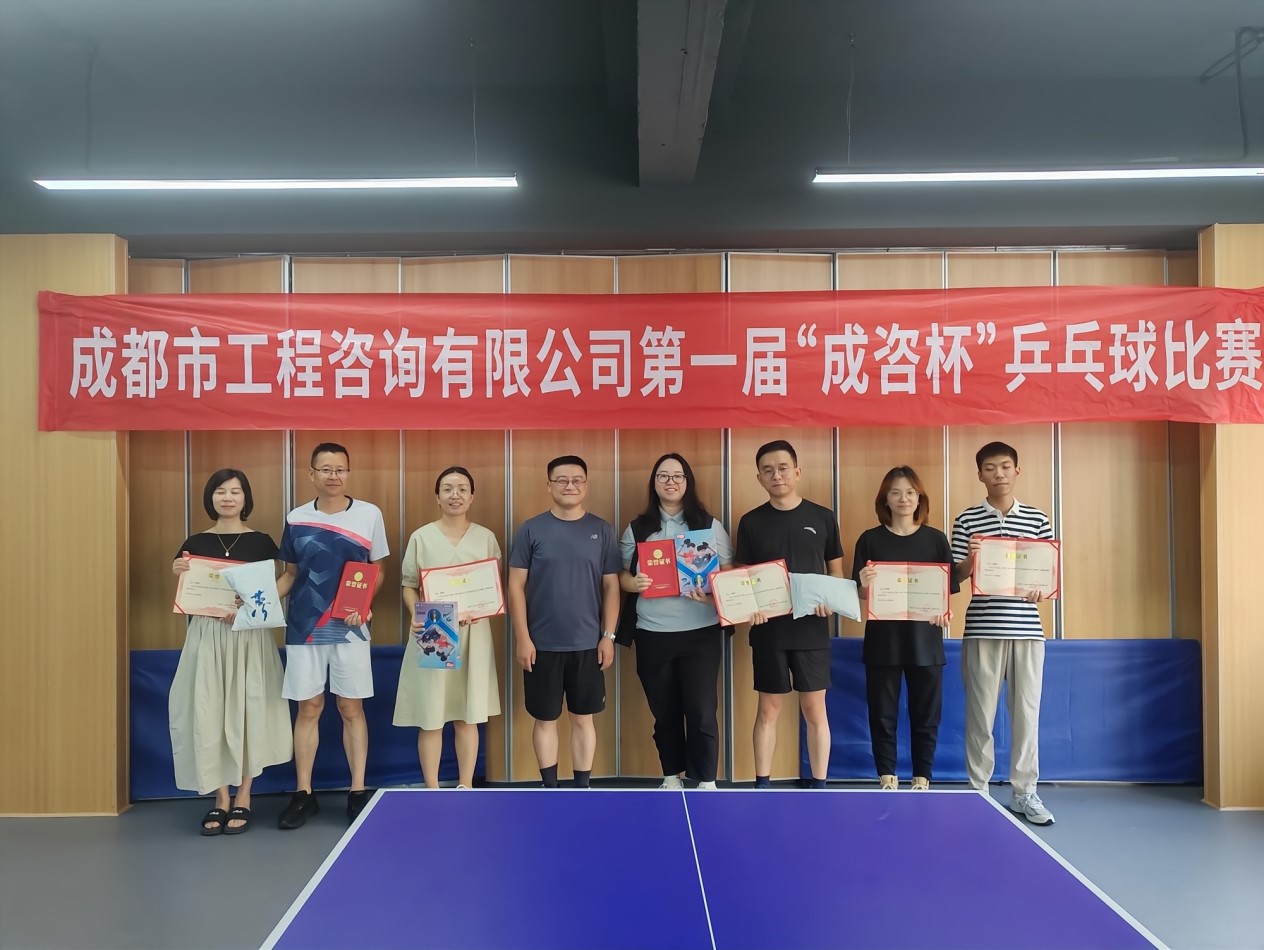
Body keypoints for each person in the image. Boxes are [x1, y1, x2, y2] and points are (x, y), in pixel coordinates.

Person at [169, 469, 293, 835]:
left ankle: (244, 796)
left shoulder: (262, 542)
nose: (227, 497)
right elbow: (188, 590)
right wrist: (178, 569)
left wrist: (255, 603)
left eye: (235, 491)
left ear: (245, 498)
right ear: (210, 497)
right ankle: (220, 798)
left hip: (248, 635)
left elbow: (283, 580)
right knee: (210, 711)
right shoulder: (194, 543)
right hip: (207, 635)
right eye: (220, 491)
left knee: (247, 708)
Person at [276, 443, 389, 828]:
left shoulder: (369, 514)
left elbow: (377, 570)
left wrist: (366, 602)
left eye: (340, 469)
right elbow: (290, 575)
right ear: (311, 474)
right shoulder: (296, 518)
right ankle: (303, 794)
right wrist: (255, 603)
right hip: (304, 628)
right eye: (325, 469)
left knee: (350, 708)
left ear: (348, 473)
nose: (333, 475)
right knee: (308, 707)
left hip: (351, 629)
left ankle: (357, 791)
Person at [951, 441, 1055, 825]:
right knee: (980, 715)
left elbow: (1047, 576)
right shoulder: (966, 520)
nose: (999, 474)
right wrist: (971, 558)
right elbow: (955, 577)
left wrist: (1041, 588)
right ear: (980, 474)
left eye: (1006, 466)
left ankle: (1024, 792)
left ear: (1017, 471)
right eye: (991, 468)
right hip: (982, 628)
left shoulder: (1038, 519)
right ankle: (977, 791)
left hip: (1028, 631)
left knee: (1026, 714)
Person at [734, 440, 844, 789]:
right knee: (768, 709)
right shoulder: (751, 522)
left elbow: (835, 574)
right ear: (759, 478)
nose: (776, 475)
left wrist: (830, 600)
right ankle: (762, 784)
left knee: (815, 710)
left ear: (797, 472)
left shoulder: (823, 517)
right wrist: (749, 606)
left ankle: (819, 784)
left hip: (812, 629)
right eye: (768, 470)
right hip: (769, 631)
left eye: (783, 468)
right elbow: (742, 578)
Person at [618, 453, 732, 790]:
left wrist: (710, 595)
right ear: (654, 483)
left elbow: (728, 573)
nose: (670, 482)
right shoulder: (638, 528)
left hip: (700, 632)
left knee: (701, 710)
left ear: (687, 482)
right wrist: (634, 582)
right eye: (663, 476)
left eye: (677, 476)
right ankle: (671, 775)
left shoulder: (709, 526)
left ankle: (706, 779)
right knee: (664, 711)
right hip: (652, 632)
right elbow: (620, 575)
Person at [508, 455, 620, 788]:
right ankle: (550, 787)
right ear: (549, 485)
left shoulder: (602, 530)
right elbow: (515, 586)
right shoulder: (530, 529)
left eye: (577, 480)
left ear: (586, 485)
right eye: (562, 480)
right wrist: (523, 638)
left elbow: (611, 586)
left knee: (583, 719)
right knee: (545, 719)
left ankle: (582, 786)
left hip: (588, 645)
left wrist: (608, 636)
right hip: (541, 646)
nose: (570, 486)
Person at [394, 466, 502, 789]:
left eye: (462, 489)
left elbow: (492, 586)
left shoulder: (486, 537)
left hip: (474, 634)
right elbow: (408, 585)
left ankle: (465, 785)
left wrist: (481, 608)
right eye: (448, 489)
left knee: (467, 715)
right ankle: (432, 788)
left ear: (472, 496)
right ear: (437, 497)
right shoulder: (421, 537)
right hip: (434, 632)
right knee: (432, 716)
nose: (455, 495)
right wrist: (415, 613)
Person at [854, 466, 956, 791]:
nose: (903, 498)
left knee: (926, 716)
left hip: (926, 643)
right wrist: (863, 583)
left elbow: (946, 593)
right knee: (882, 715)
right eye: (896, 492)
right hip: (882, 642)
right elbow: (860, 593)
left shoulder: (936, 539)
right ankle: (886, 777)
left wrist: (944, 613)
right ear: (885, 498)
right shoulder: (869, 539)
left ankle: (922, 778)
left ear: (919, 498)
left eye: (910, 492)